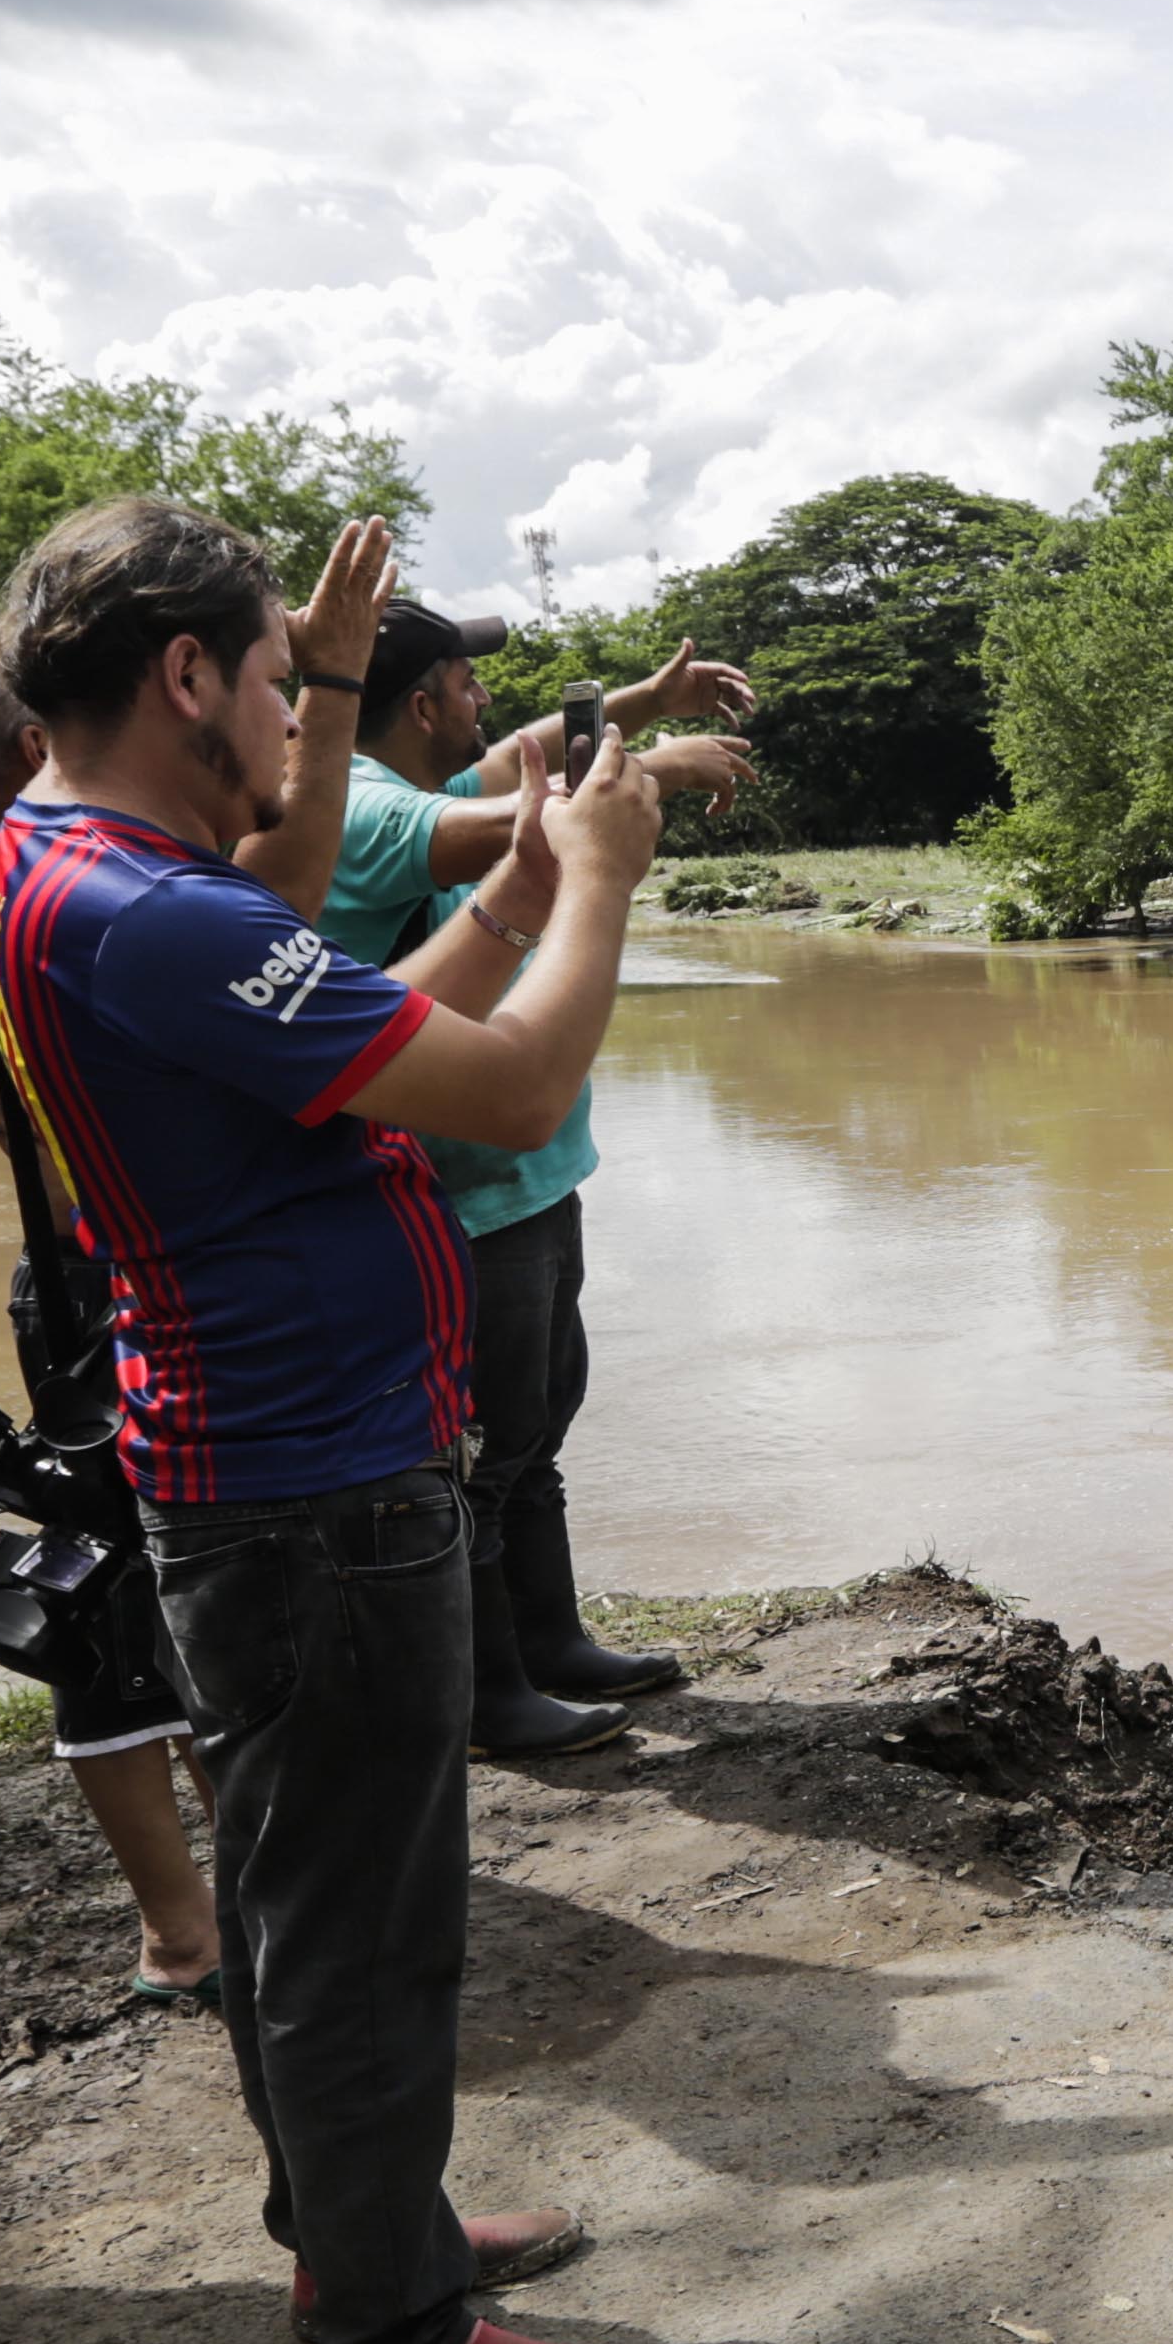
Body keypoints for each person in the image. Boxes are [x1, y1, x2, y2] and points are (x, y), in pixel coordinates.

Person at [0, 494, 665, 2344]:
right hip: (313, 1482)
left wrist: (521, 885)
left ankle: (354, 2231)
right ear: (187, 676)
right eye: (288, 679)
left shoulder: (81, 862)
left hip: (258, 1460)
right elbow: (519, 1084)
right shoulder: (144, 908)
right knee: (366, 1915)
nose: (309, 723)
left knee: (305, 1894)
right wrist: (604, 874)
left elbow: (372, 1031)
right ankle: (402, 2342)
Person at [313, 601, 755, 1759]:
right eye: (465, 682)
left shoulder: (420, 784)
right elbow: (537, 812)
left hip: (525, 1179)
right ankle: (487, 1690)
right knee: (483, 1452)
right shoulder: (363, 809)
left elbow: (519, 765)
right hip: (457, 1193)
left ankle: (547, 1641)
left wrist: (646, 704)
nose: (485, 704)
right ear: (417, 704)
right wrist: (659, 757)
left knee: (535, 1426)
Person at [0, 630, 225, 2004]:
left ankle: (219, 1896)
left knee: (153, 1583)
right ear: (38, 750)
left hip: (79, 1256)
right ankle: (182, 1934)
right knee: (109, 1609)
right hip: (94, 1267)